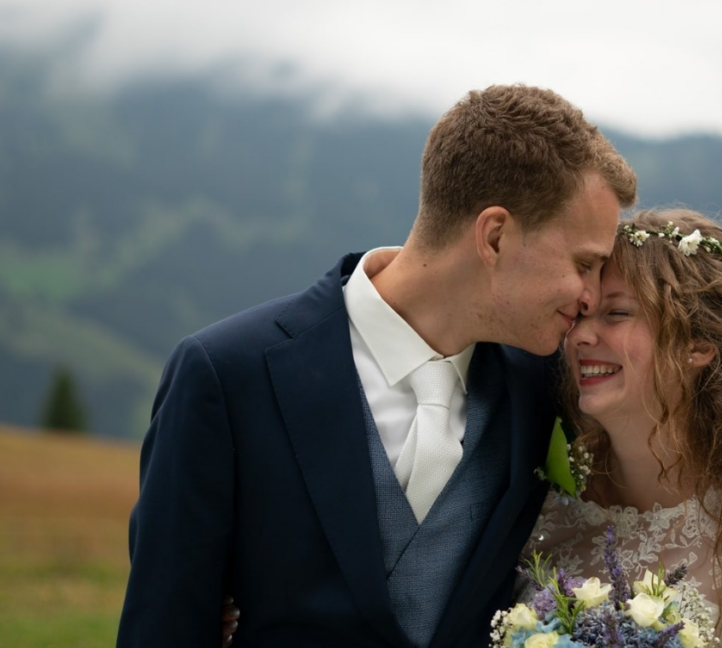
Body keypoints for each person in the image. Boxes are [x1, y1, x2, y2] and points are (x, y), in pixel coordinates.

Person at [116, 84, 637, 648]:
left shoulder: (546, 390)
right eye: (584, 264)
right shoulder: (226, 375)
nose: (589, 296)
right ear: (495, 236)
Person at [523, 208, 722, 647]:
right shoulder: (541, 511)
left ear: (697, 345)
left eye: (616, 313)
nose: (581, 335)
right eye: (581, 313)